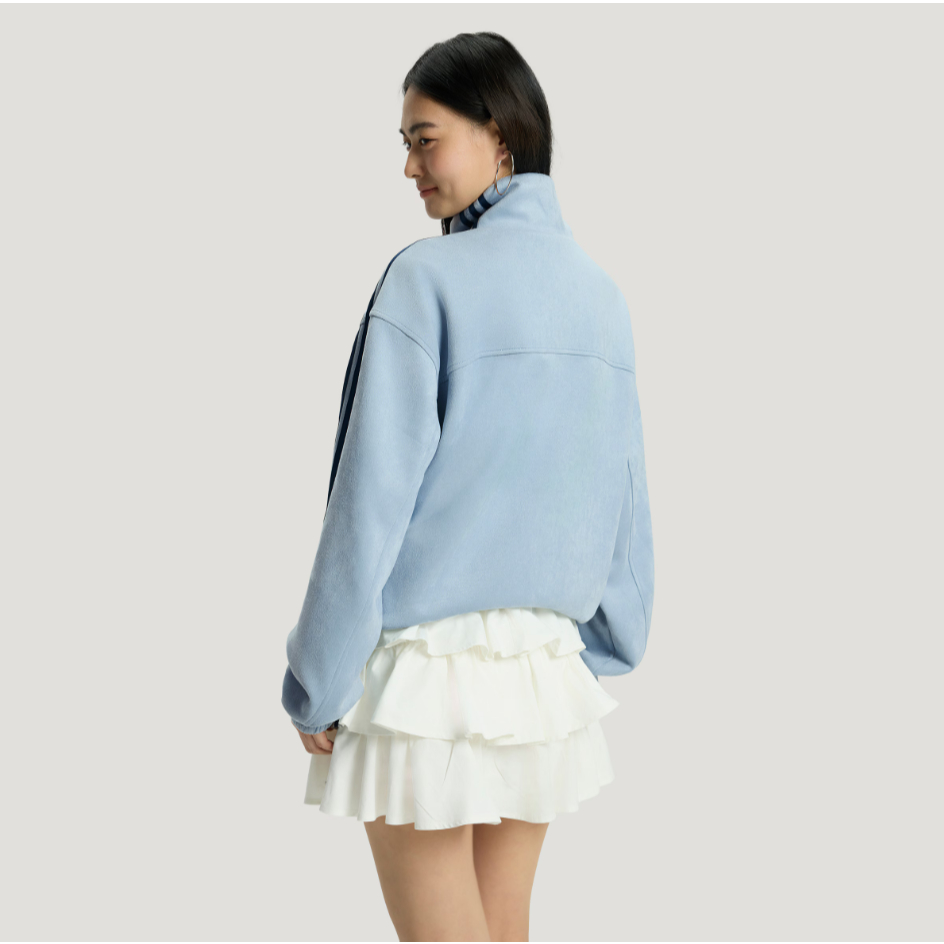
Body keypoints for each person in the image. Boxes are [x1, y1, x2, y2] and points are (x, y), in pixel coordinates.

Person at [281, 31, 655, 942]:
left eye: (425, 139)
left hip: (425, 680)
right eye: (405, 144)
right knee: (502, 928)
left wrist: (316, 680)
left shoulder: (425, 281)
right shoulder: (601, 295)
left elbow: (370, 503)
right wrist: (606, 641)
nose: (409, 167)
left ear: (499, 135)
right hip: (535, 675)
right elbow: (622, 497)